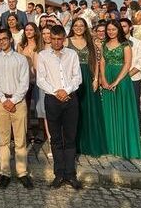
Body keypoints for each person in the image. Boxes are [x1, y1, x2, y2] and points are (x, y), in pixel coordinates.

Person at [37, 25, 83, 189]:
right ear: (50, 38)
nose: (56, 42)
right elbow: (40, 79)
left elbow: (77, 77)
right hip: (52, 100)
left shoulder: (72, 54)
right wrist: (56, 92)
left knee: (70, 138)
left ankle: (71, 174)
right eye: (53, 39)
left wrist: (66, 91)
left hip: (70, 99)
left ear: (64, 38)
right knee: (55, 139)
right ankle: (59, 174)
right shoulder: (42, 56)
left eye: (59, 39)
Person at [0, 29, 33, 189]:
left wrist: (13, 100)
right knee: (3, 140)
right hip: (0, 103)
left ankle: (22, 172)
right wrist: (3, 99)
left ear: (10, 40)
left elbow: (24, 83)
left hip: (18, 102)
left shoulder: (21, 59)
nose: (1, 41)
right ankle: (5, 172)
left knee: (20, 140)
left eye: (4, 38)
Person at [99, 20, 141, 160]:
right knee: (108, 111)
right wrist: (104, 80)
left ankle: (124, 145)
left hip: (122, 79)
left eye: (113, 29)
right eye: (109, 29)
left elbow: (128, 63)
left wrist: (117, 81)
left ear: (118, 30)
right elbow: (102, 61)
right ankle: (110, 145)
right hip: (107, 77)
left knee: (122, 111)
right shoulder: (103, 44)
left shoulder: (126, 44)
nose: (111, 32)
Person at [67, 18, 106, 157]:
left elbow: (96, 61)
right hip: (71, 78)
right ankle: (75, 145)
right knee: (73, 112)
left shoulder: (91, 42)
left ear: (85, 27)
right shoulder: (67, 41)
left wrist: (96, 79)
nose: (78, 28)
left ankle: (90, 145)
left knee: (89, 111)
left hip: (88, 77)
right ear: (72, 27)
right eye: (76, 25)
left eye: (81, 25)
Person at [120, 18, 141, 132]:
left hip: (133, 79)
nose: (122, 28)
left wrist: (126, 76)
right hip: (116, 80)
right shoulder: (113, 43)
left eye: (124, 26)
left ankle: (137, 135)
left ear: (130, 27)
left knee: (134, 108)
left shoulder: (138, 43)